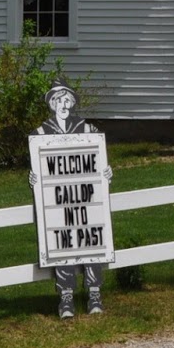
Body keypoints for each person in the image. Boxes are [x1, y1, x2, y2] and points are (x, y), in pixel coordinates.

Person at [35, 80, 105, 317]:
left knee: (91, 238)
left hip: (85, 196)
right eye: (58, 100)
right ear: (52, 104)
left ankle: (94, 293)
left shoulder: (87, 129)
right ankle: (66, 299)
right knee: (61, 241)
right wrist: (35, 178)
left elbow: (98, 156)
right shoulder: (42, 133)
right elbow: (38, 163)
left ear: (72, 103)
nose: (63, 105)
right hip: (59, 200)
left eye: (67, 100)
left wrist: (105, 172)